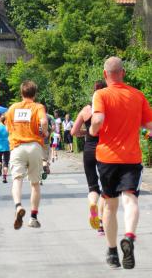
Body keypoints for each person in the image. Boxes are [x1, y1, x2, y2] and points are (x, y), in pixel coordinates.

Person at [90, 57, 152, 269]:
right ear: (123, 73)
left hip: (107, 158)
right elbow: (149, 123)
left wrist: (92, 131)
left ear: (105, 74)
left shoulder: (101, 94)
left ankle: (112, 252)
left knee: (109, 205)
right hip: (131, 158)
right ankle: (129, 236)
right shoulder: (137, 95)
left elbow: (97, 120)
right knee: (130, 200)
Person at [6, 80, 48, 230]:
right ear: (35, 93)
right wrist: (45, 131)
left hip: (17, 147)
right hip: (34, 146)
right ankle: (33, 217)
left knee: (17, 180)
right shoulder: (38, 107)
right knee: (35, 183)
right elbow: (43, 121)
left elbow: (8, 127)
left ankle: (18, 207)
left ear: (21, 93)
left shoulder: (12, 108)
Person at [71, 80, 107, 236]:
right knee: (106, 189)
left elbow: (73, 132)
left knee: (93, 187)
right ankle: (100, 224)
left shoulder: (85, 110)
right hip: (105, 151)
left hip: (88, 150)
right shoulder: (107, 110)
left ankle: (92, 203)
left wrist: (86, 133)